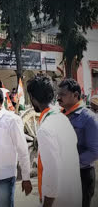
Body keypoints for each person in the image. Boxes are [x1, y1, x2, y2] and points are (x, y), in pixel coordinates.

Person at [27, 76, 82, 207]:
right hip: (73, 193)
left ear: (33, 98)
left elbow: (52, 172)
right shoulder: (62, 118)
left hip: (59, 200)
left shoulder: (45, 128)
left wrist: (47, 204)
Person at [57, 79, 98, 207]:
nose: (58, 98)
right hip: (64, 174)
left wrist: (71, 164)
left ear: (75, 95)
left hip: (82, 174)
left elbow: (95, 151)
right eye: (58, 94)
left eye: (62, 94)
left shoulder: (89, 118)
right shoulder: (61, 115)